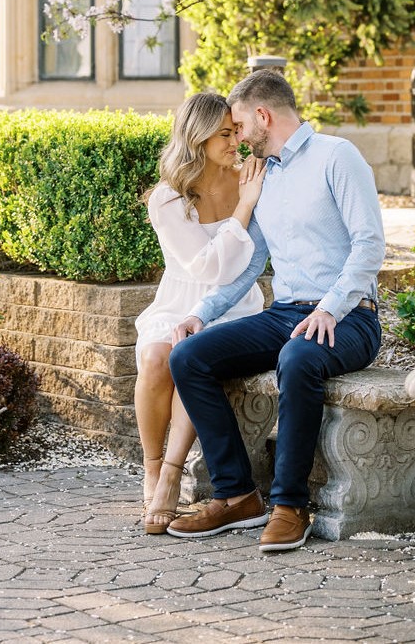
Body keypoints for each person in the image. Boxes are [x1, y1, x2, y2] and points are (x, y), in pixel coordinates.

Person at [166, 69, 385, 552]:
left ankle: (290, 506)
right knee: (188, 356)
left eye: (240, 126)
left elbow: (370, 245)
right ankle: (238, 496)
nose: (238, 138)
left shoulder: (337, 156)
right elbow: (250, 262)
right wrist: (202, 311)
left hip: (350, 316)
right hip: (286, 312)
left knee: (298, 357)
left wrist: (330, 307)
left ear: (263, 115)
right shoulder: (265, 176)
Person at [134, 92, 266, 535]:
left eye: (236, 132)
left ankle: (172, 474)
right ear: (198, 138)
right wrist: (244, 207)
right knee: (156, 357)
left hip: (233, 305)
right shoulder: (168, 199)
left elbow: (239, 271)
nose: (237, 142)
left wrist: (246, 198)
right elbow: (208, 266)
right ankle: (152, 469)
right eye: (226, 135)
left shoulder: (247, 178)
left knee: (188, 353)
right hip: (180, 299)